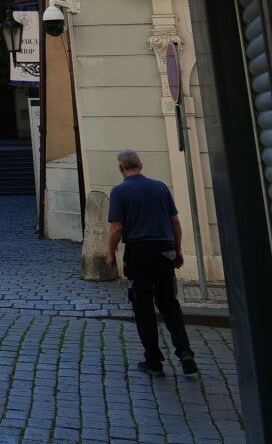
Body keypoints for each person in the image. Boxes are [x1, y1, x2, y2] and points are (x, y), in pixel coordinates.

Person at [106, 148, 198, 376]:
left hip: (138, 251)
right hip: (164, 250)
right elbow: (174, 221)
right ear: (141, 166)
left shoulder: (119, 191)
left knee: (143, 305)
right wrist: (177, 250)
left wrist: (110, 253)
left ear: (121, 168)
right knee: (169, 303)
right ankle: (185, 352)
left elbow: (117, 228)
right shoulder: (160, 187)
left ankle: (154, 360)